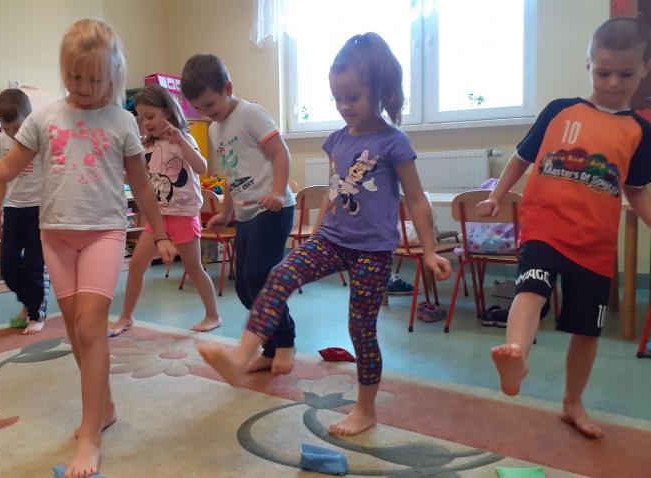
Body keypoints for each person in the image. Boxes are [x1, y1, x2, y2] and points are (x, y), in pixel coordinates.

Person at [0, 19, 177, 478]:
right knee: (76, 331)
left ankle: (90, 435)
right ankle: (104, 407)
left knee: (91, 326)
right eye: (75, 77)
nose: (84, 87)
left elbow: (141, 185)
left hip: (102, 233)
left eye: (94, 79)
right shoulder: (45, 118)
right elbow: (5, 168)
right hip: (55, 236)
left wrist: (163, 233)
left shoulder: (122, 122)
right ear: (64, 71)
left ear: (113, 76)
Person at [196, 33, 451, 436]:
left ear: (380, 90)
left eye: (353, 97)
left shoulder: (394, 142)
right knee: (279, 275)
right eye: (337, 98)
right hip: (331, 240)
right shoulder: (337, 141)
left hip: (372, 251)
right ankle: (241, 356)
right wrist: (317, 232)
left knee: (361, 330)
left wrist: (432, 251)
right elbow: (335, 191)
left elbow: (417, 200)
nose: (344, 106)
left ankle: (365, 409)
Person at [480, 17, 651, 439]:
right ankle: (517, 354)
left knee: (587, 331)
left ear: (645, 69)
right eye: (603, 72)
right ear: (588, 64)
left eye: (625, 74)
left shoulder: (640, 132)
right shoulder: (561, 110)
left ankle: (572, 403)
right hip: (545, 227)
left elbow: (636, 190)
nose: (613, 83)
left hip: (595, 244)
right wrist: (497, 195)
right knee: (531, 289)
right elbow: (521, 157)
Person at [181, 53, 299, 374]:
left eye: (210, 104)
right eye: (199, 109)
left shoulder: (250, 114)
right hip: (246, 214)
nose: (207, 113)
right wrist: (225, 211)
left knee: (260, 277)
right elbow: (232, 175)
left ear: (227, 88)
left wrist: (278, 191)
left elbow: (280, 153)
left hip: (274, 209)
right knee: (245, 287)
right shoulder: (215, 129)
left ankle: (285, 341)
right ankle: (270, 349)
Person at [110, 84, 222, 336]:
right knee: (137, 265)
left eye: (150, 116)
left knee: (193, 268)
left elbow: (201, 168)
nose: (145, 122)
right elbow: (140, 178)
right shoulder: (146, 146)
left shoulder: (183, 139)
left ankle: (213, 315)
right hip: (158, 217)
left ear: (169, 112)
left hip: (183, 215)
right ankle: (126, 317)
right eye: (141, 118)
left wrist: (181, 141)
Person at [0, 88, 50, 335]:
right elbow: (2, 176)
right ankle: (29, 303)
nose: (13, 134)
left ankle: (36, 314)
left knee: (35, 265)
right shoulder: (0, 141)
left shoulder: (41, 137)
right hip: (13, 208)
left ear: (29, 118)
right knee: (9, 266)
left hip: (39, 208)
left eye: (18, 127)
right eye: (7, 129)